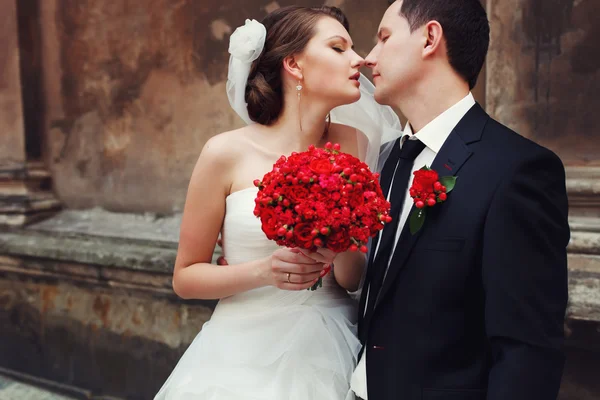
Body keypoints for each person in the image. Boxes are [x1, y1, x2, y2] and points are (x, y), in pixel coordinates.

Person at [154, 5, 401, 399]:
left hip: (329, 339)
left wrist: (333, 240)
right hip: (239, 352)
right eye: (338, 48)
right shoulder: (224, 153)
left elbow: (352, 278)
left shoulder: (355, 143)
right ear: (294, 65)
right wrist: (266, 271)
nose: (360, 59)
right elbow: (185, 277)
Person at [351, 1, 570, 399]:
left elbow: (527, 350)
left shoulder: (518, 170)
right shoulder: (380, 161)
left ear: (430, 38)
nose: (369, 58)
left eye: (384, 38)